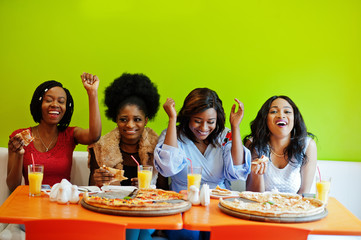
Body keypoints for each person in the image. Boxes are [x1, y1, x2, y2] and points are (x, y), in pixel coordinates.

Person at [154, 88, 251, 240]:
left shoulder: (225, 136)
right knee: (188, 235)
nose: (204, 128)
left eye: (210, 122)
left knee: (222, 234)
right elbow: (167, 168)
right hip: (181, 206)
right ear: (187, 117)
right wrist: (172, 118)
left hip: (219, 206)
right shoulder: (173, 134)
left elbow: (237, 171)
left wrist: (235, 126)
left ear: (217, 119)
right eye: (197, 121)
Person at [87, 73, 167, 240]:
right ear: (116, 119)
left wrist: (146, 189)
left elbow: (163, 191)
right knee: (139, 232)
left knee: (138, 229)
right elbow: (92, 191)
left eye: (137, 119)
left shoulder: (157, 149)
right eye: (124, 119)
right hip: (113, 211)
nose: (130, 125)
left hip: (147, 212)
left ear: (146, 120)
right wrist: (99, 180)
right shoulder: (100, 148)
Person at [7, 73, 102, 192]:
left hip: (61, 202)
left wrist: (92, 93)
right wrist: (19, 155)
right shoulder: (19, 137)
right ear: (39, 104)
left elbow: (94, 136)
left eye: (61, 102)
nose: (55, 105)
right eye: (49, 100)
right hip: (31, 202)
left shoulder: (70, 134)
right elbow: (12, 186)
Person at [243, 95, 317, 194]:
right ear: (265, 118)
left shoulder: (307, 145)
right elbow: (252, 196)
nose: (281, 116)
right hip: (262, 208)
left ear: (294, 118)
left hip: (295, 208)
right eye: (273, 111)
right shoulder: (254, 145)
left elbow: (304, 193)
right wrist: (257, 175)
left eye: (287, 112)